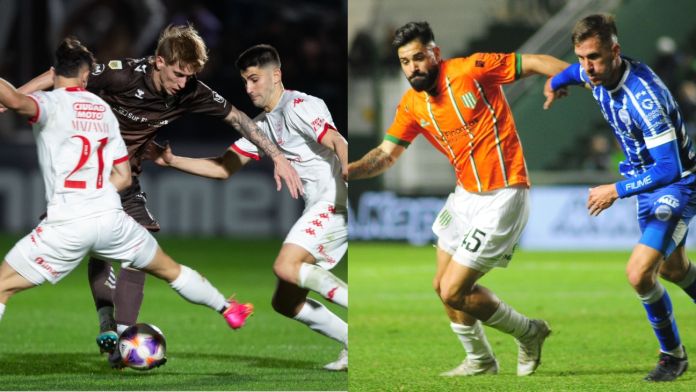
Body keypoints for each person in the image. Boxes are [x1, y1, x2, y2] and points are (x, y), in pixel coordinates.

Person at [12, 24, 303, 365]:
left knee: (138, 248)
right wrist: (14, 101)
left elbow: (238, 118)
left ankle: (121, 339)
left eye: (190, 76)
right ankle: (111, 323)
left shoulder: (192, 89)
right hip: (87, 179)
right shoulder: (121, 76)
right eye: (178, 74)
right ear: (158, 61)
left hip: (125, 177)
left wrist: (278, 156)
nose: (183, 84)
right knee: (100, 248)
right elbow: (60, 76)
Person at [348, 21, 570, 377]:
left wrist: (566, 79)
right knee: (441, 285)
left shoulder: (471, 70)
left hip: (503, 193)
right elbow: (385, 155)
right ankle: (481, 360)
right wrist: (348, 171)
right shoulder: (412, 104)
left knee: (454, 290)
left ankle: (530, 332)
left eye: (418, 57)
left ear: (435, 53)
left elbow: (535, 61)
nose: (413, 67)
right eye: (405, 61)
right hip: (465, 196)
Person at [147, 44, 348, 371]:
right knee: (286, 302)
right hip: (320, 205)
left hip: (334, 200)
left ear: (276, 75)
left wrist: (350, 169)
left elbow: (337, 141)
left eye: (255, 79)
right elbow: (223, 168)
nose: (249, 88)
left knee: (286, 266)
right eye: (245, 82)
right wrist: (170, 160)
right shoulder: (262, 125)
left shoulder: (301, 105)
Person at [544, 14, 696, 382]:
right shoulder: (593, 72)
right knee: (675, 270)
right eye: (581, 57)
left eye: (593, 57)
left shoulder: (645, 98)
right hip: (647, 184)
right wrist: (553, 83)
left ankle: (672, 356)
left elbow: (668, 169)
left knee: (639, 273)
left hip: (674, 185)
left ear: (615, 51)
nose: (586, 67)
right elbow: (569, 74)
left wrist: (615, 190)